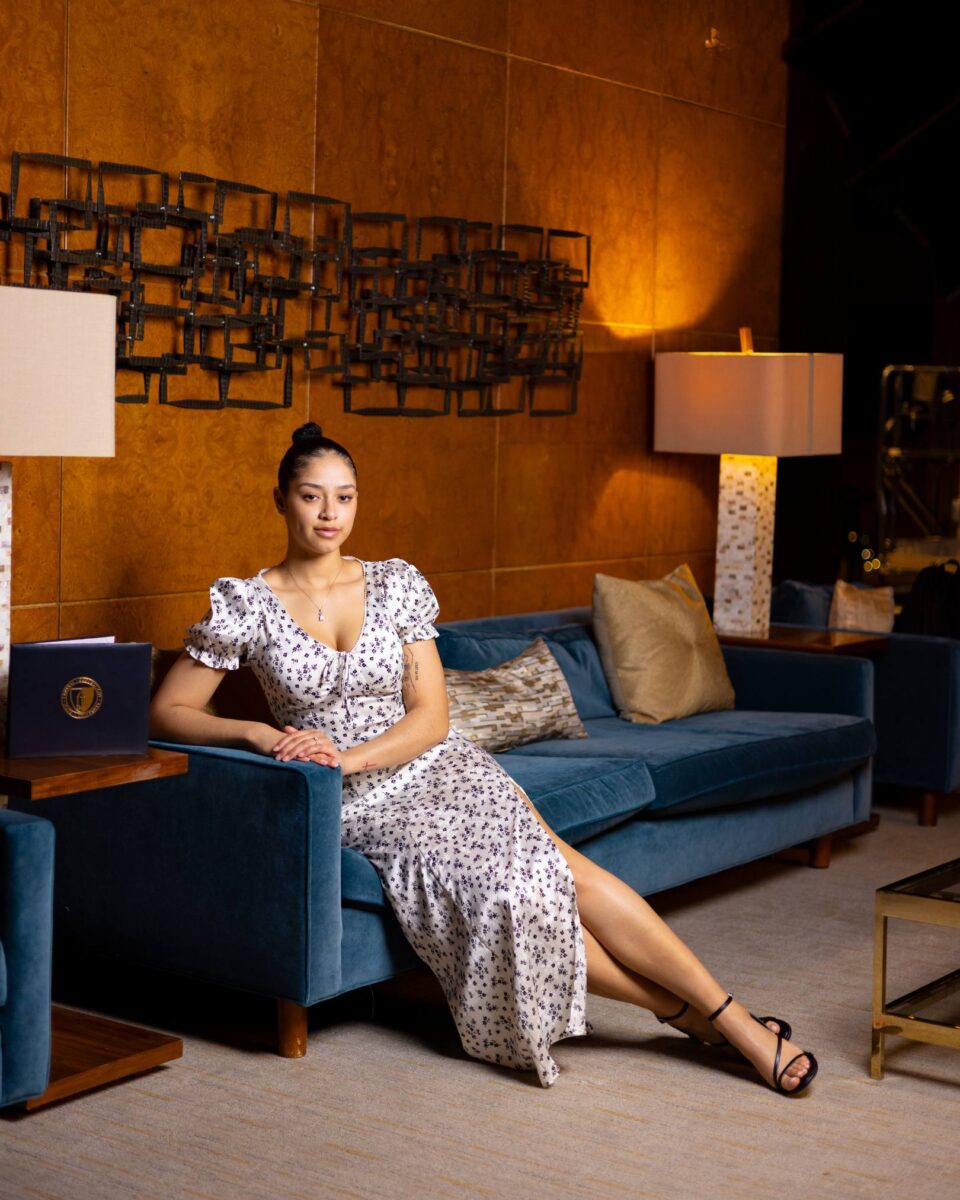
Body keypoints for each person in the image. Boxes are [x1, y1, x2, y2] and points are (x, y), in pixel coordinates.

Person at [150, 423, 818, 1095]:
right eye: (312, 497)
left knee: (563, 871)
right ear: (280, 501)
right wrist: (263, 737)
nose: (330, 515)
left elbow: (431, 718)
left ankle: (732, 1022)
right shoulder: (247, 604)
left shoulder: (393, 584)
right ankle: (681, 1014)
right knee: (514, 895)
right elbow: (168, 712)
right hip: (359, 806)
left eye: (345, 498)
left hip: (434, 766)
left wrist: (348, 759)